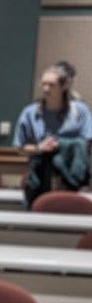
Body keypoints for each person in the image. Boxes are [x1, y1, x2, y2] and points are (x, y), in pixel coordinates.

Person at [14, 63, 92, 208]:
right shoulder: (30, 113)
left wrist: (61, 144)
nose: (45, 89)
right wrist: (39, 148)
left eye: (51, 85)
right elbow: (20, 147)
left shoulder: (79, 111)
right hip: (39, 177)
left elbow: (87, 141)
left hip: (71, 178)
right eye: (43, 84)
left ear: (63, 87)